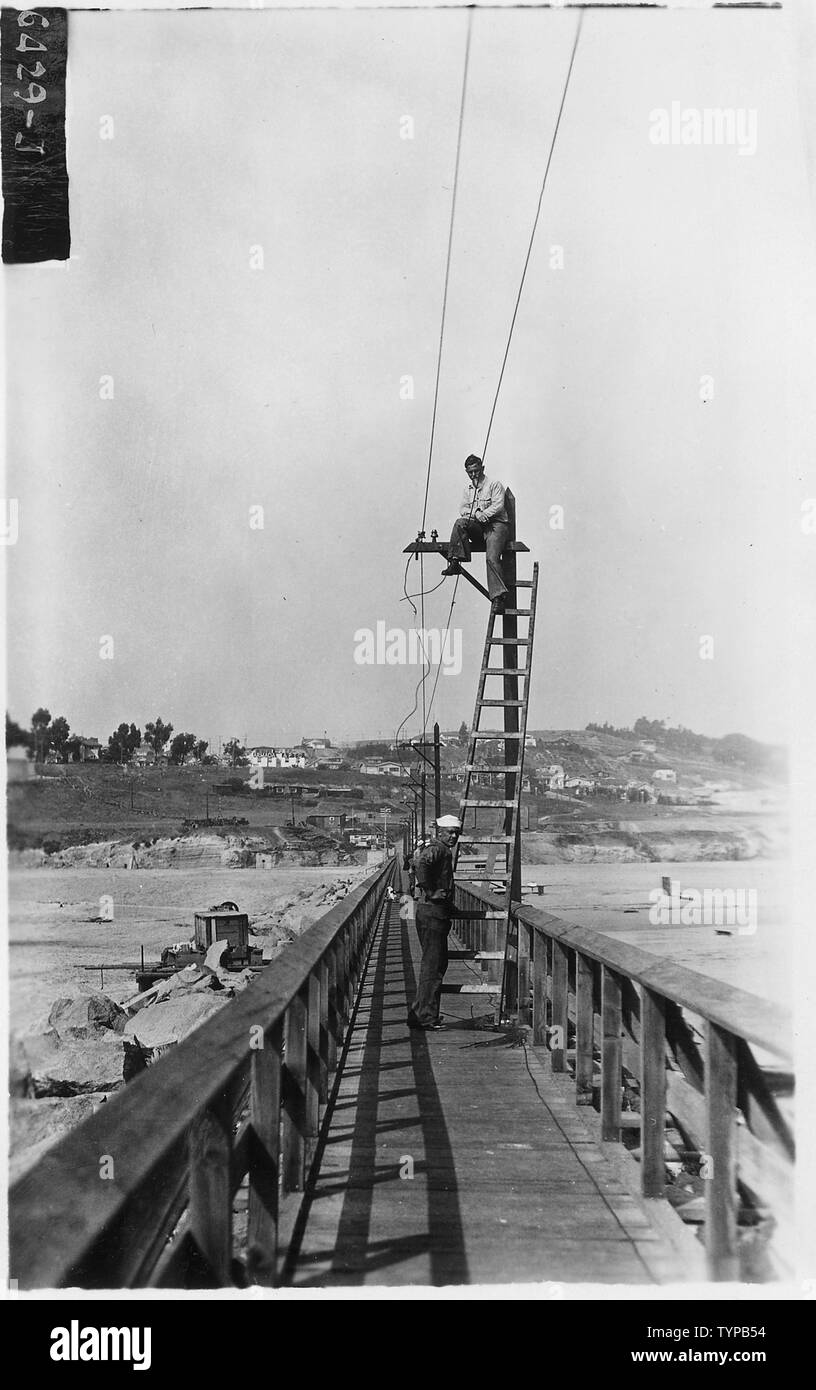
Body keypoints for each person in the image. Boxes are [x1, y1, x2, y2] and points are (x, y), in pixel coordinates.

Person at [407, 815, 461, 1031]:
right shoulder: (439, 849)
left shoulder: (437, 848)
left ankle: (420, 1014)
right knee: (433, 967)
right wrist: (431, 892)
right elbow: (421, 864)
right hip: (432, 914)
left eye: (456, 832)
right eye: (449, 832)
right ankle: (425, 1017)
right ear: (440, 832)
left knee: (435, 965)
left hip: (433, 912)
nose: (454, 836)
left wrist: (447, 904)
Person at [441, 455, 511, 607]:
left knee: (491, 558)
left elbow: (498, 505)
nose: (473, 475)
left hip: (496, 526)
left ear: (482, 468)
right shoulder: (468, 490)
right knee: (460, 523)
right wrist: (477, 514)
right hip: (479, 526)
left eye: (476, 471)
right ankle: (455, 561)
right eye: (470, 472)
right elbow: (463, 509)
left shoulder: (494, 484)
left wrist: (484, 514)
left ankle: (498, 596)